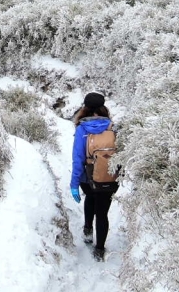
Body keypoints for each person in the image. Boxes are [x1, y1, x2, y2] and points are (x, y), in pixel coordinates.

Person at [70, 91, 114, 261]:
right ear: (103, 108)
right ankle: (100, 249)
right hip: (108, 177)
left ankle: (88, 230)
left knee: (90, 197)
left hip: (87, 177)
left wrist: (74, 184)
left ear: (85, 108)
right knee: (102, 213)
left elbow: (78, 159)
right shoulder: (112, 127)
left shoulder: (82, 129)